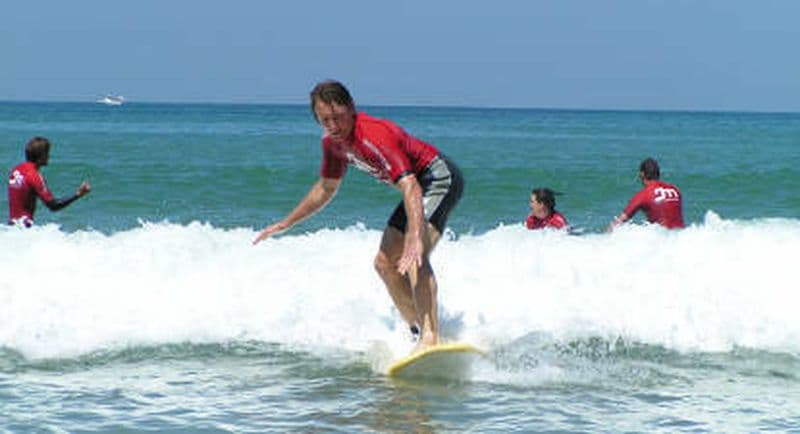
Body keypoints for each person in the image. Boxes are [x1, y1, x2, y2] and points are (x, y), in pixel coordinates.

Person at [253, 80, 463, 350]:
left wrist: (414, 237)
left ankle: (431, 337)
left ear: (352, 109)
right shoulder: (332, 143)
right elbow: (326, 187)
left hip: (437, 179)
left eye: (338, 118)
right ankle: (417, 331)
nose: (333, 126)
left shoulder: (374, 135)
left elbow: (410, 185)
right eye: (324, 120)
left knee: (413, 256)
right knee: (384, 263)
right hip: (415, 188)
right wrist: (286, 222)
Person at [7, 136, 91, 227]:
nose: (49, 156)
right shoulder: (34, 176)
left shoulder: (16, 170)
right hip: (24, 227)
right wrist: (78, 194)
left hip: (12, 227)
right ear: (41, 156)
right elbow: (53, 206)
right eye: (47, 153)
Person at [608, 157, 684, 231]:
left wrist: (603, 239)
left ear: (642, 174)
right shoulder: (675, 190)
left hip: (661, 239)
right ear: (658, 174)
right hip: (680, 237)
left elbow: (620, 221)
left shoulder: (643, 195)